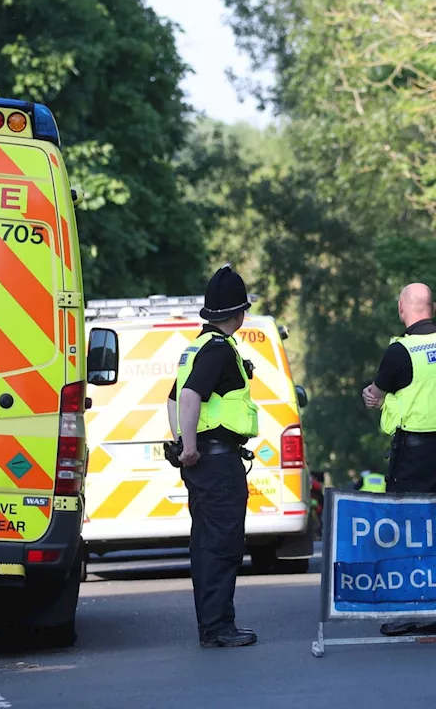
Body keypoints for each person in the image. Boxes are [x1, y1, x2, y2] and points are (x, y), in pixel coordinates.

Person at [361, 282, 436, 637]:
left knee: (408, 532)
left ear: (402, 309)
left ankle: (411, 611)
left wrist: (373, 398)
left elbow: (377, 393)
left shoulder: (400, 351)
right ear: (432, 309)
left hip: (414, 454)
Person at [166, 264, 261, 649]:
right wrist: (188, 446)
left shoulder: (198, 347)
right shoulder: (219, 351)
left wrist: (184, 444)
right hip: (217, 462)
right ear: (239, 314)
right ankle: (219, 627)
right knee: (222, 545)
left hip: (205, 462)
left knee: (206, 545)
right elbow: (188, 397)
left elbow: (172, 398)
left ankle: (212, 625)